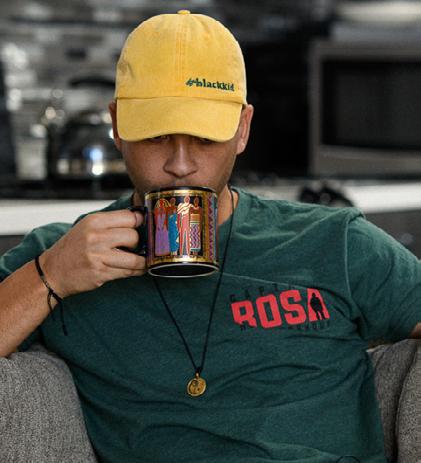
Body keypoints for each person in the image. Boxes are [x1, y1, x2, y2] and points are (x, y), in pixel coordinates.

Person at [0, 10, 420, 463]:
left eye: (204, 139)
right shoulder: (63, 255)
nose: (180, 165)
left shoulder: (335, 241)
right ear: (118, 126)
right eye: (157, 136)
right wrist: (49, 277)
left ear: (242, 129)